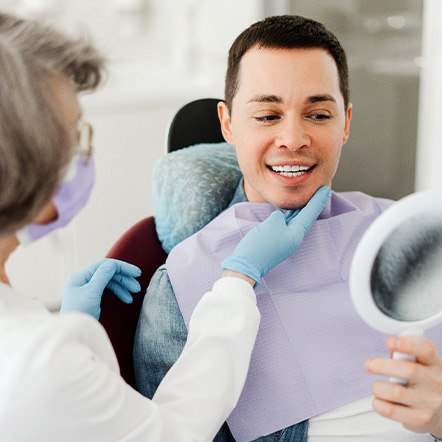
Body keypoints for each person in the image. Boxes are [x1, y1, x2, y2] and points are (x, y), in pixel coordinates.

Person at [0, 11, 332, 442]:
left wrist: (69, 326)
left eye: (319, 114)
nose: (293, 137)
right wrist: (237, 280)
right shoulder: (41, 359)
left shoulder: (38, 343)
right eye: (73, 138)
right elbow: (174, 434)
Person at [133, 15, 442, 442]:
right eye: (266, 115)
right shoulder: (183, 287)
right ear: (228, 124)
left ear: (346, 123)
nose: (293, 138)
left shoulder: (409, 238)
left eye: (317, 114)